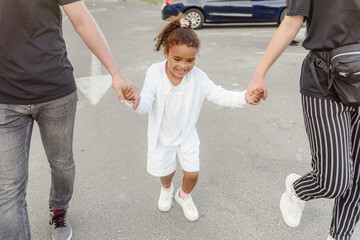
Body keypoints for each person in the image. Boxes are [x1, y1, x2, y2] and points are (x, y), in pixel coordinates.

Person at [0, 1, 140, 240]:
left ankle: (59, 209)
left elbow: (82, 20)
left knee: (62, 164)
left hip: (56, 92)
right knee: (8, 190)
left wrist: (115, 72)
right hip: (5, 99)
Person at [123, 14, 263, 222]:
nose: (184, 66)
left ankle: (183, 196)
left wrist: (245, 97)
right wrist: (132, 99)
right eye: (177, 59)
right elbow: (144, 105)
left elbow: (220, 95)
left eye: (191, 60)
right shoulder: (154, 73)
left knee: (192, 174)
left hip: (186, 136)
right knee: (166, 172)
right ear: (166, 53)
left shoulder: (198, 77)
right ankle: (167, 188)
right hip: (161, 137)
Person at [246, 0, 360, 239]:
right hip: (323, 83)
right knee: (334, 180)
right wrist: (260, 73)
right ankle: (297, 190)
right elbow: (291, 22)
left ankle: (340, 235)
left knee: (357, 178)